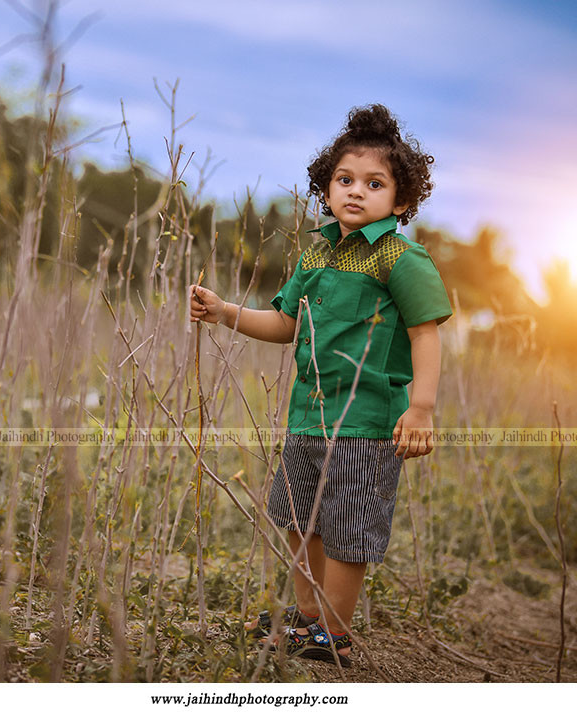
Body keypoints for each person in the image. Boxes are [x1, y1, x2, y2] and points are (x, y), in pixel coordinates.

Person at [188, 104, 452, 667]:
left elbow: (425, 333)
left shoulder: (400, 259)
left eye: (374, 184)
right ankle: (307, 619)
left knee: (349, 525)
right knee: (297, 514)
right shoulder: (316, 254)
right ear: (327, 187)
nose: (356, 192)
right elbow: (285, 324)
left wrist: (422, 407)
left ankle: (334, 632)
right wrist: (225, 311)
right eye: (345, 180)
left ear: (401, 201)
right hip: (309, 416)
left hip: (366, 424)